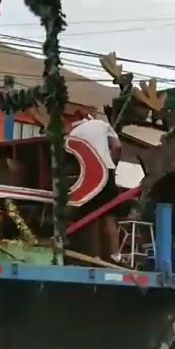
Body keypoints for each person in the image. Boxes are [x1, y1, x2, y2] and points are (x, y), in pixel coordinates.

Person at [70, 110, 123, 260]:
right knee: (108, 214)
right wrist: (113, 164)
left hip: (86, 174)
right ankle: (115, 256)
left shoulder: (74, 132)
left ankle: (94, 255)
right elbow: (117, 146)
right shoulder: (102, 124)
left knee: (90, 216)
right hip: (106, 170)